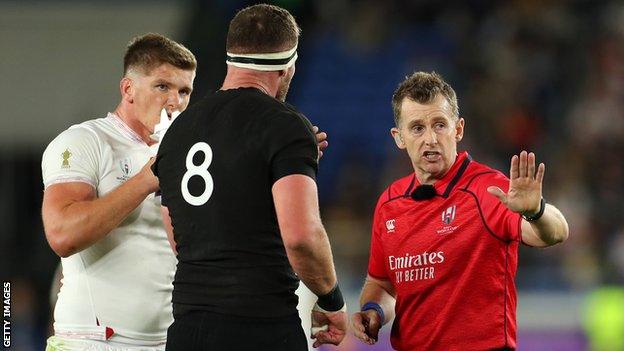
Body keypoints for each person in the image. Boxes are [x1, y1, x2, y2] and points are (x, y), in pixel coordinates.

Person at [152, 4, 347, 350]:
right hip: (261, 328)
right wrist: (331, 299)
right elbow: (301, 237)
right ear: (288, 68)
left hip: (188, 331)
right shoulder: (285, 126)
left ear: (231, 60)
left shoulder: (176, 133)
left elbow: (180, 238)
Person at [351, 71, 569, 350]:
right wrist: (374, 312)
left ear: (458, 129)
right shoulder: (389, 203)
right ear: (399, 137)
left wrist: (536, 210)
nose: (430, 138)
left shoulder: (487, 190)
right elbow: (381, 283)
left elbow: (556, 233)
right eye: (417, 128)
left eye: (439, 125)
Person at [41, 33, 197, 350]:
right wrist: (145, 180)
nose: (175, 101)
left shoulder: (184, 155)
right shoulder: (85, 142)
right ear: (128, 89)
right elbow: (62, 235)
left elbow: (191, 249)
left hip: (164, 341)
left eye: (184, 91)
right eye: (162, 86)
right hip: (92, 341)